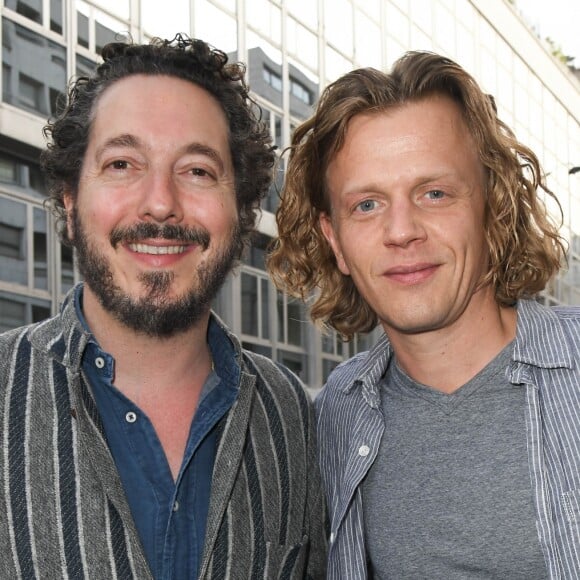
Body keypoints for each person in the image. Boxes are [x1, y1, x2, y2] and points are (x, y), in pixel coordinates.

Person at [0, 35, 326, 579]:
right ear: (70, 196)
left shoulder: (293, 415)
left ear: (242, 210)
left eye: (197, 170)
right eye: (123, 163)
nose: (160, 203)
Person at [268, 50, 580, 579]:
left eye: (434, 193)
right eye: (366, 204)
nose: (401, 230)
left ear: (491, 208)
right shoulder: (333, 418)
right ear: (335, 242)